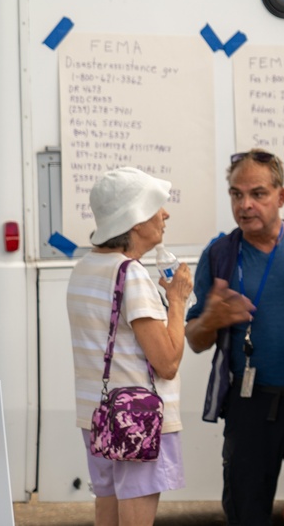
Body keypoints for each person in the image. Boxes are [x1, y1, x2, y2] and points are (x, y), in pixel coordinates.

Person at [185, 149, 284, 526]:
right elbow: (194, 339)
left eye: (257, 193)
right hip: (249, 407)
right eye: (235, 194)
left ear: (281, 196)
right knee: (246, 512)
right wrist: (211, 317)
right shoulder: (220, 255)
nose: (245, 205)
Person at [66, 167, 193, 526]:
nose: (165, 214)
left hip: (97, 414)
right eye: (156, 207)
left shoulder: (84, 268)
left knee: (106, 507)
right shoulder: (131, 273)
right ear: (136, 221)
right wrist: (178, 301)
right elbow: (167, 362)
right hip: (137, 418)